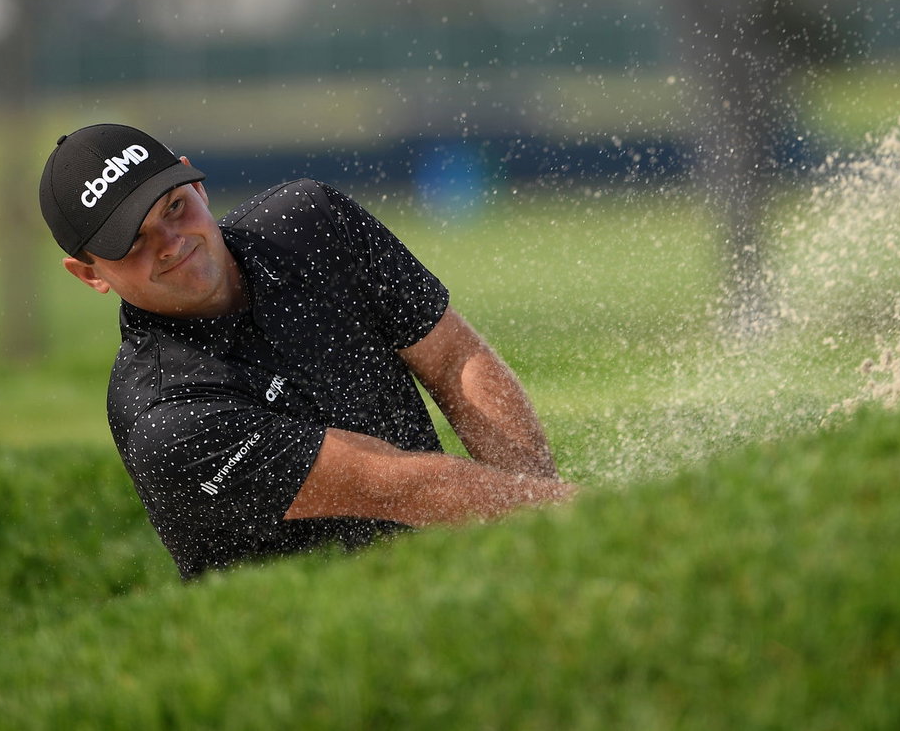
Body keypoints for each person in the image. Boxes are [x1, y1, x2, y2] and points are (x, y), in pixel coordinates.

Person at [38, 123, 575, 579]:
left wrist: (556, 535)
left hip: (449, 580)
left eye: (174, 208)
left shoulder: (311, 222)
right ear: (89, 273)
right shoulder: (167, 418)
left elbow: (455, 361)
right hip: (322, 645)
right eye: (132, 242)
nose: (171, 243)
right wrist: (574, 516)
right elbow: (392, 485)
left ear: (196, 184)